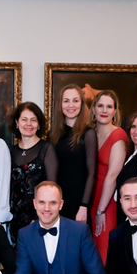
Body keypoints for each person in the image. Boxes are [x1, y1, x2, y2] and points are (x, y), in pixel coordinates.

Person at [9, 102, 58, 242]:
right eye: (24, 119)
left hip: (39, 217)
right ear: (17, 122)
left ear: (39, 124)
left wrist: (39, 217)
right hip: (14, 218)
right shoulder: (11, 150)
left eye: (33, 120)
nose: (28, 124)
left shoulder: (46, 148)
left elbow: (52, 188)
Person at [90, 90, 129, 263]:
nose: (104, 110)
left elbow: (112, 176)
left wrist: (101, 210)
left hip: (106, 204)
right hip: (88, 201)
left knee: (103, 255)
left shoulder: (118, 135)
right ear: (93, 109)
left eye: (109, 106)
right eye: (100, 105)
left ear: (115, 111)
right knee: (88, 255)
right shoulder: (90, 133)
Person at [50, 84, 97, 223]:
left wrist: (84, 206)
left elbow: (92, 174)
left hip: (78, 201)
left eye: (75, 100)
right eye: (66, 101)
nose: (71, 105)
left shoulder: (88, 134)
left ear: (82, 104)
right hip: (56, 200)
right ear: (60, 104)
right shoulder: (53, 135)